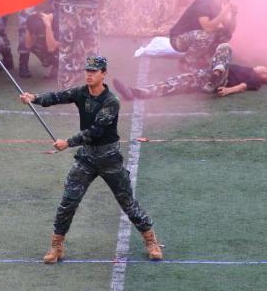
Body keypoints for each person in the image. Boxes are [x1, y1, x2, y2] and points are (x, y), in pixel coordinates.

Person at [19, 56, 163, 264]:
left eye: (94, 71)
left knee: (127, 203)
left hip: (109, 159)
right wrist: (34, 98)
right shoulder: (81, 92)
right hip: (86, 158)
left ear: (104, 74)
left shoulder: (111, 101)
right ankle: (56, 246)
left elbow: (95, 131)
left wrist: (68, 143)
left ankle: (151, 241)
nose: (89, 74)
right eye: (87, 70)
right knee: (68, 202)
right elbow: (58, 96)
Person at [115, 43, 267, 100]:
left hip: (222, 79)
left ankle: (215, 76)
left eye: (265, 73)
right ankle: (136, 92)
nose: (262, 70)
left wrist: (228, 90)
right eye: (265, 68)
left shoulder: (254, 79)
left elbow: (243, 86)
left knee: (225, 47)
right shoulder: (247, 68)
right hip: (204, 76)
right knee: (174, 83)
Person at [53, 0, 107, 89]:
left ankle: (65, 88)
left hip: (67, 7)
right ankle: (96, 86)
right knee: (92, 49)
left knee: (66, 50)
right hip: (88, 6)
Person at [169, 0, 237, 73]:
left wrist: (233, 15)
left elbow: (230, 30)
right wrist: (224, 12)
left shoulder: (217, 6)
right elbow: (207, 28)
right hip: (178, 39)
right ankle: (186, 63)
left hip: (195, 37)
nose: (224, 0)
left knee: (225, 34)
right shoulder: (203, 3)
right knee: (206, 35)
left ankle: (201, 59)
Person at [18, 9, 59, 78]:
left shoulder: (61, 22)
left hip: (73, 49)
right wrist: (28, 27)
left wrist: (48, 27)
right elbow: (28, 45)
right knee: (37, 44)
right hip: (50, 31)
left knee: (56, 46)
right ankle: (55, 63)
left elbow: (51, 48)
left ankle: (59, 65)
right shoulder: (34, 20)